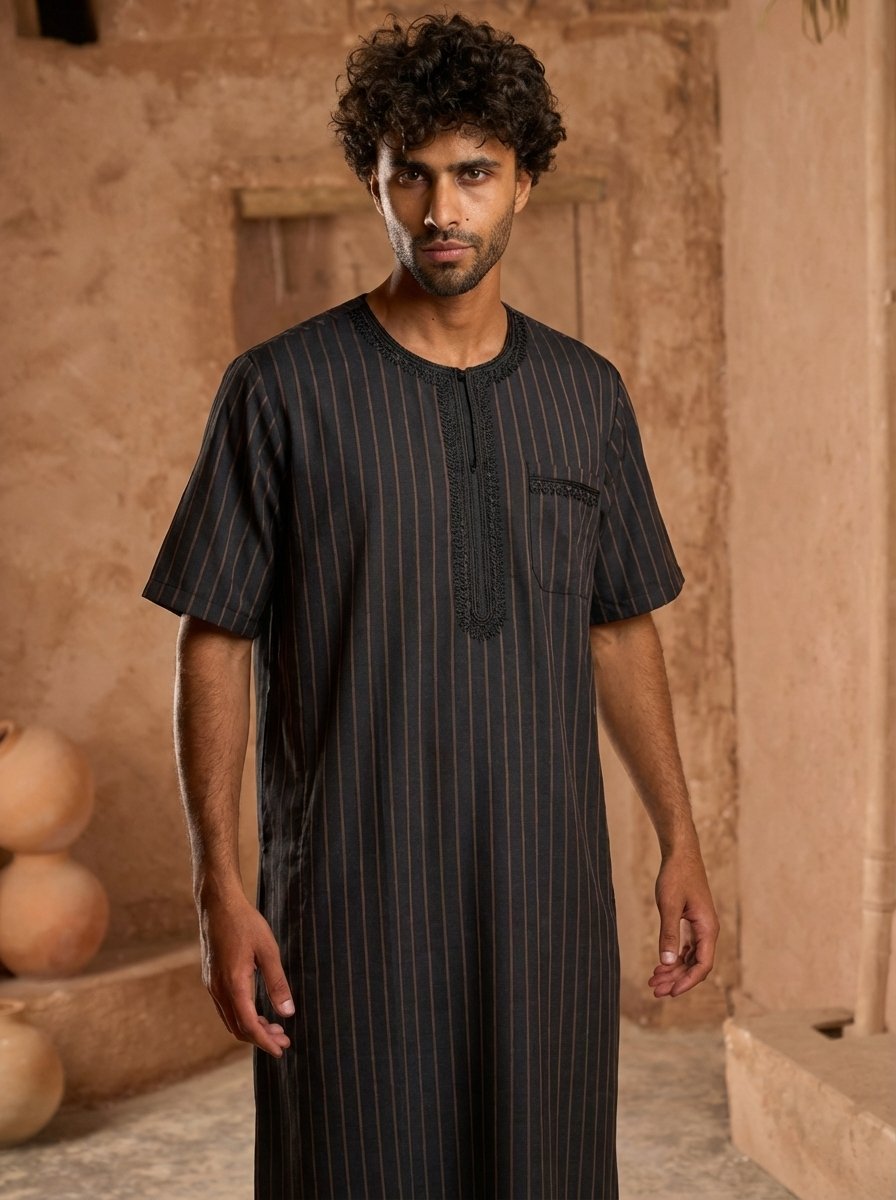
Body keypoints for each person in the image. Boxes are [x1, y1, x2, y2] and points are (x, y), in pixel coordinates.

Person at [143, 12, 719, 1199]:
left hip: (544, 904)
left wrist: (679, 839)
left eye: (472, 173)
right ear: (373, 180)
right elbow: (215, 640)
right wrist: (220, 888)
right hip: (348, 910)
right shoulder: (282, 392)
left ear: (523, 182)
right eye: (409, 174)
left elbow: (618, 626)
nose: (440, 209)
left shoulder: (585, 397)